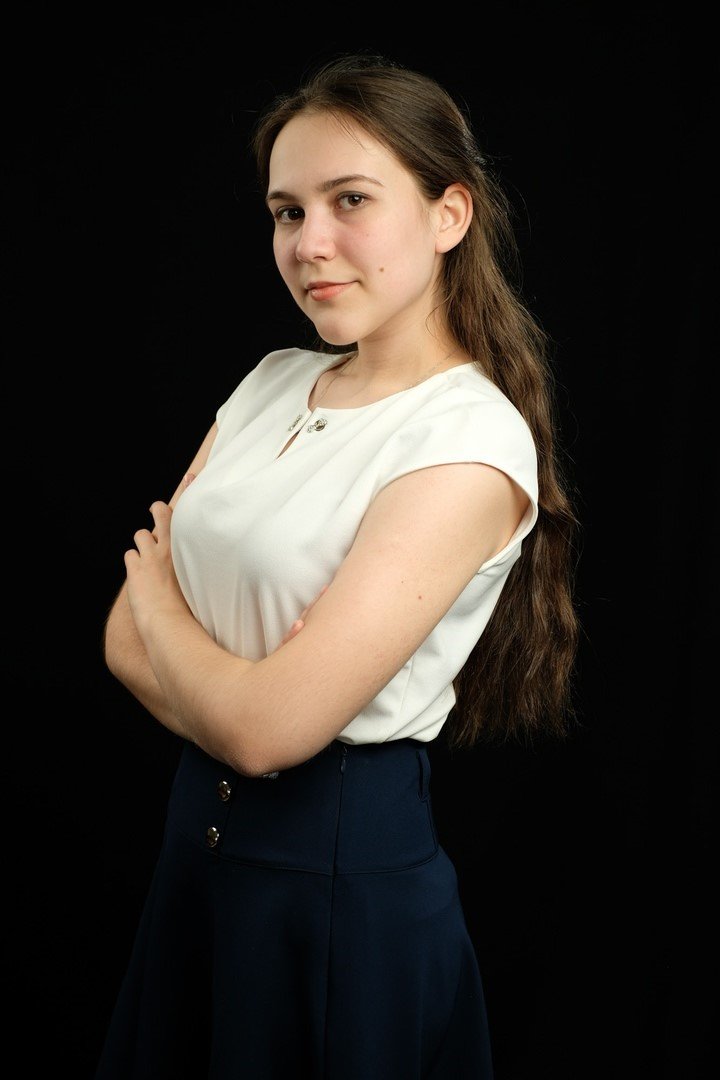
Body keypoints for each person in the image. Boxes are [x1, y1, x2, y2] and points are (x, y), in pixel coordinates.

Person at [94, 52, 579, 1080]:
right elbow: (121, 646)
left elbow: (263, 730)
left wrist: (162, 597)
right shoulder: (271, 380)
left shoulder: (466, 440)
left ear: (449, 214)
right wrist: (241, 691)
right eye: (286, 211)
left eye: (350, 199)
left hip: (334, 897)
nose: (309, 242)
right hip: (195, 864)